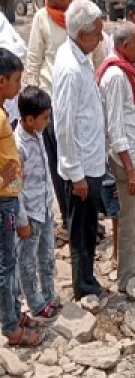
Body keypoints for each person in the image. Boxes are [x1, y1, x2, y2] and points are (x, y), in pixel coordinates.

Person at [27, 0, 105, 244]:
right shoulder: (41, 19)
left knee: (88, 167)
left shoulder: (87, 15)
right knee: (64, 168)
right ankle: (71, 221)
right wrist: (33, 105)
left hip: (83, 97)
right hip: (52, 104)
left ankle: (87, 221)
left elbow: (99, 55)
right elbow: (34, 62)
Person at [53, 0, 106, 302]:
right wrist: (75, 174)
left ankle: (87, 277)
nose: (100, 38)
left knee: (89, 226)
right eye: (97, 33)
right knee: (82, 229)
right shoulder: (71, 67)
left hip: (91, 158)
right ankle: (83, 284)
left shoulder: (79, 55)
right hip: (81, 166)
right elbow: (64, 125)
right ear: (82, 34)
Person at [98, 22, 135, 294]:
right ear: (122, 46)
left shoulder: (123, 73)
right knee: (131, 220)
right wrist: (130, 170)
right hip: (127, 159)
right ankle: (128, 279)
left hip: (132, 156)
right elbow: (116, 128)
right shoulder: (117, 77)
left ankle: (133, 270)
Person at [0, 49, 42, 347]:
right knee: (6, 264)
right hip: (4, 200)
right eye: (16, 80)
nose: (19, 86)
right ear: (2, 81)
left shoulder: (3, 112)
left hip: (10, 197)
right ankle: (11, 328)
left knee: (10, 260)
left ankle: (13, 310)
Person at [16, 85, 59, 323]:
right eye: (45, 118)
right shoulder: (18, 146)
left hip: (44, 208)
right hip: (30, 215)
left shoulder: (39, 135)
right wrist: (22, 221)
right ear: (30, 119)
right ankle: (35, 302)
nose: (48, 121)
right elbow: (16, 189)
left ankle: (49, 294)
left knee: (47, 256)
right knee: (28, 262)